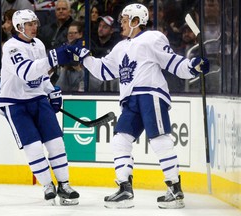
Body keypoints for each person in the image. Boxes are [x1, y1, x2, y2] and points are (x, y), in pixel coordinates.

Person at [67, 3, 209, 209]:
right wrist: (85, 58)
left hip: (150, 94)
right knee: (120, 139)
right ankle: (125, 189)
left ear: (136, 21)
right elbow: (104, 71)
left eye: (124, 20)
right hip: (130, 100)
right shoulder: (120, 47)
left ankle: (175, 189)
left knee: (159, 139)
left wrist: (193, 66)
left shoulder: (152, 38)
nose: (121, 24)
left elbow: (173, 63)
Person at [0, 9, 79, 206]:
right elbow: (26, 72)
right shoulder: (11, 47)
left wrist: (51, 91)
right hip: (15, 103)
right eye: (29, 24)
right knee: (33, 147)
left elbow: (41, 75)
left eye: (35, 23)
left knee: (56, 142)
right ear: (19, 27)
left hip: (38, 99)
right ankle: (47, 185)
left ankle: (64, 185)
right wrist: (53, 58)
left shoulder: (39, 44)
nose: (34, 27)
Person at [55, 21, 85, 92]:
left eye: (74, 33)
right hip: (66, 73)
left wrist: (79, 69)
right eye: (69, 33)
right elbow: (59, 87)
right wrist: (65, 67)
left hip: (80, 73)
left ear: (80, 34)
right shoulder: (63, 47)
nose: (71, 35)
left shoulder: (84, 48)